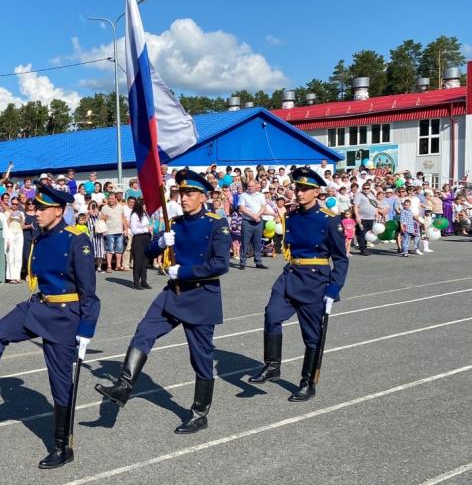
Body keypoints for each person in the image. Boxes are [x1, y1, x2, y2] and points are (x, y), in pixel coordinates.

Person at [0, 182, 100, 468]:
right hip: (37, 305)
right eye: (34, 207)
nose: (35, 213)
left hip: (64, 315)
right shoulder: (41, 235)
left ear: (59, 211)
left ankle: (63, 447)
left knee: (61, 384)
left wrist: (86, 327)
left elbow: (89, 290)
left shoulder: (77, 239)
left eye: (41, 208)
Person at [95, 169, 231, 434]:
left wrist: (185, 271)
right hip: (174, 293)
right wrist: (160, 242)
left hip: (201, 296)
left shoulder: (217, 223)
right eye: (181, 193)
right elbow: (145, 253)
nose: (183, 198)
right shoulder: (176, 224)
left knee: (200, 358)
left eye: (189, 193)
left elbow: (220, 264)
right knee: (144, 331)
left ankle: (199, 412)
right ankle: (123, 386)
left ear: (202, 196)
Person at [248, 167, 349, 402]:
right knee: (272, 315)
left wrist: (333, 289)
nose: (299, 192)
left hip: (315, 280)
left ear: (316, 191)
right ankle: (272, 366)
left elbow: (341, 259)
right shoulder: (292, 216)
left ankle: (307, 382)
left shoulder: (329, 220)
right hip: (291, 274)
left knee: (312, 337)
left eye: (305, 189)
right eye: (297, 188)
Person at [237, 179, 266, 269]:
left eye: (251, 186)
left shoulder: (261, 195)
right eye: (248, 186)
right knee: (245, 243)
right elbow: (242, 208)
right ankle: (242, 262)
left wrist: (257, 215)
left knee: (257, 243)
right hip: (247, 221)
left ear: (256, 186)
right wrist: (253, 216)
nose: (250, 188)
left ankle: (258, 262)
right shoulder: (243, 195)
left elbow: (263, 207)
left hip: (258, 221)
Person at [127, 197, 152, 289]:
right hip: (138, 239)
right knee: (138, 261)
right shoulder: (134, 215)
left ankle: (144, 281)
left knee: (145, 261)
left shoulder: (145, 214)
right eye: (145, 205)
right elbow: (134, 230)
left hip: (146, 238)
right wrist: (146, 229)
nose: (146, 206)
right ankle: (136, 282)